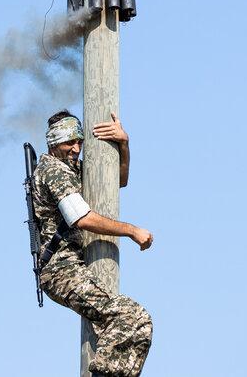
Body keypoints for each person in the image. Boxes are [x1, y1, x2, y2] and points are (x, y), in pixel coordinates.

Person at [32, 110, 154, 377]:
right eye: (69, 144)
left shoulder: (70, 167)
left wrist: (123, 143)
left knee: (139, 322)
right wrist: (131, 230)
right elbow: (81, 218)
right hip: (60, 270)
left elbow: (117, 181)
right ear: (53, 144)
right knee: (129, 316)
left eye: (80, 142)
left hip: (74, 266)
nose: (76, 149)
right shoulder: (53, 171)